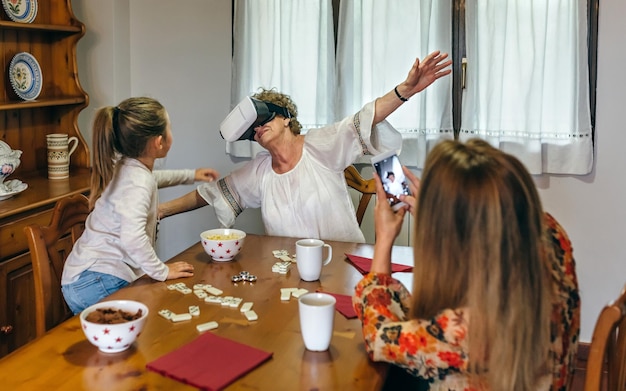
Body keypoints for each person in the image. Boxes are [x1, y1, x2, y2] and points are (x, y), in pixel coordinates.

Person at [353, 139, 580, 390]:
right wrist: (444, 220)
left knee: (393, 380)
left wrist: (384, 239)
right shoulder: (554, 238)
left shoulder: (462, 330)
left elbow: (378, 336)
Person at [159, 51, 452, 243]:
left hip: (343, 264)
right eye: (252, 129)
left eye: (264, 118)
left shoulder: (319, 145)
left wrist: (405, 91)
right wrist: (158, 210)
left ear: (286, 118)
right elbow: (209, 193)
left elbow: (364, 118)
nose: (257, 128)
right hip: (288, 273)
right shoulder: (260, 172)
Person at [61, 97, 220, 314]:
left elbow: (154, 178)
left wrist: (191, 175)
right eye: (169, 127)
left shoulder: (127, 168)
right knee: (149, 324)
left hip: (83, 277)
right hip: (98, 280)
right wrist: (162, 271)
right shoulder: (138, 181)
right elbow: (132, 237)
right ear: (159, 141)